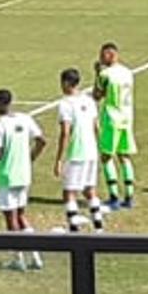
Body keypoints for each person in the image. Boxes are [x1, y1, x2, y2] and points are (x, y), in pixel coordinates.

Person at [0, 88, 46, 271]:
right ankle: (36, 256)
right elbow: (42, 140)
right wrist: (30, 158)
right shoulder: (25, 119)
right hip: (23, 174)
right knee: (21, 216)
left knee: (11, 219)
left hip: (7, 176)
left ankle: (18, 258)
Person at [55, 68, 105, 232]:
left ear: (66, 83)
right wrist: (101, 148)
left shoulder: (65, 104)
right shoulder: (89, 101)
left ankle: (74, 229)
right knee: (90, 190)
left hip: (77, 153)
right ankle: (98, 227)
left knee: (69, 193)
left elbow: (65, 132)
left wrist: (59, 159)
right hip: (91, 152)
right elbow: (97, 126)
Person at [94, 43, 137, 210]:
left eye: (102, 55)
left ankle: (113, 196)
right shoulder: (128, 72)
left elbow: (97, 95)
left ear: (110, 55)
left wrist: (97, 73)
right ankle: (129, 196)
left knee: (106, 156)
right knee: (124, 157)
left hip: (112, 118)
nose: (100, 58)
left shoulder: (106, 74)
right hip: (127, 117)